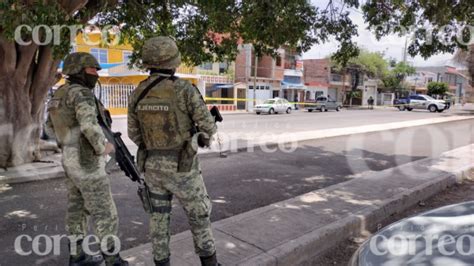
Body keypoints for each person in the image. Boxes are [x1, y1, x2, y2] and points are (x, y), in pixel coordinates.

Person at [127, 36, 219, 266]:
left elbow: (133, 134)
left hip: (152, 169)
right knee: (199, 216)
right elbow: (208, 129)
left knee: (158, 221)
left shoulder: (138, 92)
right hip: (183, 168)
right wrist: (200, 139)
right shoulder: (185, 90)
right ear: (172, 61)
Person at [45, 52, 128, 266]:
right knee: (104, 211)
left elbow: (48, 128)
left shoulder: (59, 94)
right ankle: (113, 260)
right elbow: (89, 126)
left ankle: (77, 257)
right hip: (87, 161)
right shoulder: (81, 94)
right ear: (80, 70)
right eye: (93, 69)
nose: (96, 73)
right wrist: (104, 148)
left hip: (69, 159)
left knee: (76, 209)